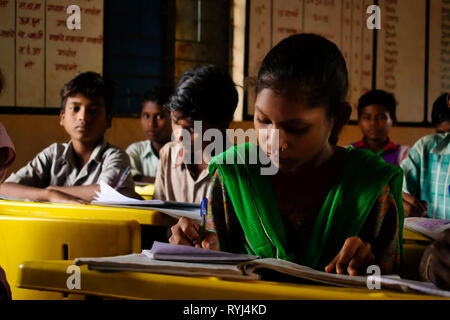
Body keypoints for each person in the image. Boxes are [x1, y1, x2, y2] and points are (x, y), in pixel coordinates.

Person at [169, 34, 404, 276]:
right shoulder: (235, 173)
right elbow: (212, 262)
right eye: (263, 120)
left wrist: (369, 267)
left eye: (295, 128)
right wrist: (193, 245)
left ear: (338, 118)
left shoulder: (371, 186)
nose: (274, 142)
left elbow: (391, 280)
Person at [0, 72, 134, 204]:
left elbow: (107, 192)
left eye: (93, 111)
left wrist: (51, 189)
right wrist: (49, 194)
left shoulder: (116, 157)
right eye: (75, 108)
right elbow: (4, 188)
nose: (83, 117)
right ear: (62, 117)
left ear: (108, 120)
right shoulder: (52, 154)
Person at [153, 65, 238, 203]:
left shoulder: (236, 168)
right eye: (175, 122)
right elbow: (158, 217)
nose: (179, 135)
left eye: (191, 129)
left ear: (221, 125)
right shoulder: (168, 154)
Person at [401, 93, 450, 219]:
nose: (445, 138)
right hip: (429, 237)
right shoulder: (425, 148)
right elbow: (400, 189)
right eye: (442, 134)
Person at [349, 90, 409, 166]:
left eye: (381, 117)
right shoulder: (347, 152)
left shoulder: (405, 154)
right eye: (367, 117)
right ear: (359, 121)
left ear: (393, 121)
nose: (373, 123)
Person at [126, 86, 173, 184]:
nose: (151, 124)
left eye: (159, 116)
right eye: (146, 116)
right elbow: (127, 177)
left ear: (173, 118)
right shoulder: (136, 151)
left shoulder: (183, 152)